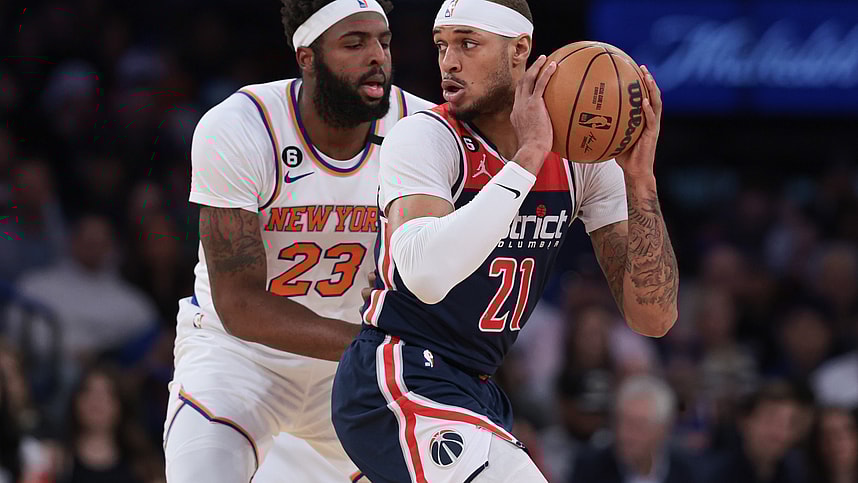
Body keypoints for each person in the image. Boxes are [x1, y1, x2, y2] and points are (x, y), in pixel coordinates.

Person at [331, 0, 679, 481]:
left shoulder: (581, 160)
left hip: (475, 386)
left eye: (468, 43)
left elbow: (653, 316)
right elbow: (426, 277)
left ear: (520, 50)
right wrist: (526, 160)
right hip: (399, 373)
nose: (449, 62)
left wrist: (641, 182)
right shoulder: (426, 136)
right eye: (441, 46)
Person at [161, 0, 434, 482]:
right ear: (307, 57)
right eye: (355, 43)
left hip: (357, 373)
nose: (378, 57)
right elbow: (240, 303)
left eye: (384, 42)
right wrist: (374, 345)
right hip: (241, 359)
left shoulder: (424, 131)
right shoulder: (241, 126)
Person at [570, 375, 697, 483]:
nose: (624, 434)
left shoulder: (689, 474)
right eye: (620, 422)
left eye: (637, 425)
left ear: (662, 429)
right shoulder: (589, 471)